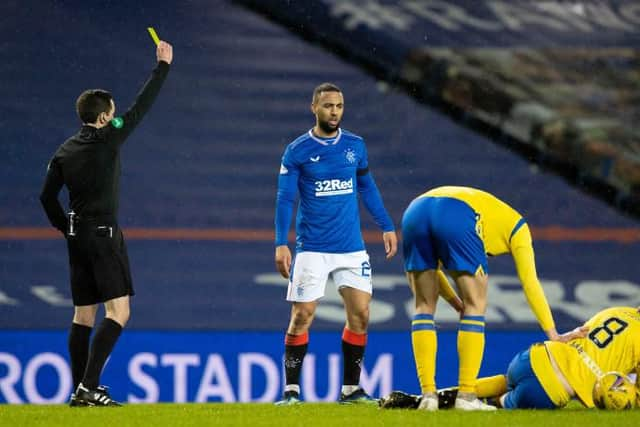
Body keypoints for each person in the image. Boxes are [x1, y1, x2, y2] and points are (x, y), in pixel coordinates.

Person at [39, 40, 173, 406]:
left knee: (83, 314)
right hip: (103, 234)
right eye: (110, 114)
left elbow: (46, 197)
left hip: (77, 236)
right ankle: (89, 385)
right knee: (119, 312)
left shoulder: (64, 150)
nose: (115, 118)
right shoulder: (108, 139)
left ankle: (80, 391)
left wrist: (64, 226)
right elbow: (141, 106)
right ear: (102, 118)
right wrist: (162, 66)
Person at [401, 186, 581, 410]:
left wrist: (456, 302)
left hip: (416, 210)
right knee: (476, 306)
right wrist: (552, 332)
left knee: (423, 306)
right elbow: (530, 283)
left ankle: (428, 396)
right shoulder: (519, 228)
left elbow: (434, 270)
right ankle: (466, 397)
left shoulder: (489, 210)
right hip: (458, 214)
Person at [274, 82, 398, 404]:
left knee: (361, 314)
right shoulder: (297, 150)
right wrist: (280, 242)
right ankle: (291, 392)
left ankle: (351, 390)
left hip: (351, 248)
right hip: (312, 248)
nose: (334, 112)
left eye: (339, 106)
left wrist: (385, 225)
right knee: (302, 315)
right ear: (313, 108)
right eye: (328, 106)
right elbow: (285, 198)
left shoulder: (355, 146)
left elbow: (367, 187)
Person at [436, 306, 640, 410]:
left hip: (531, 358)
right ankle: (477, 401)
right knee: (491, 405)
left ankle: (431, 397)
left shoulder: (616, 311)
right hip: (547, 390)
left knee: (507, 381)